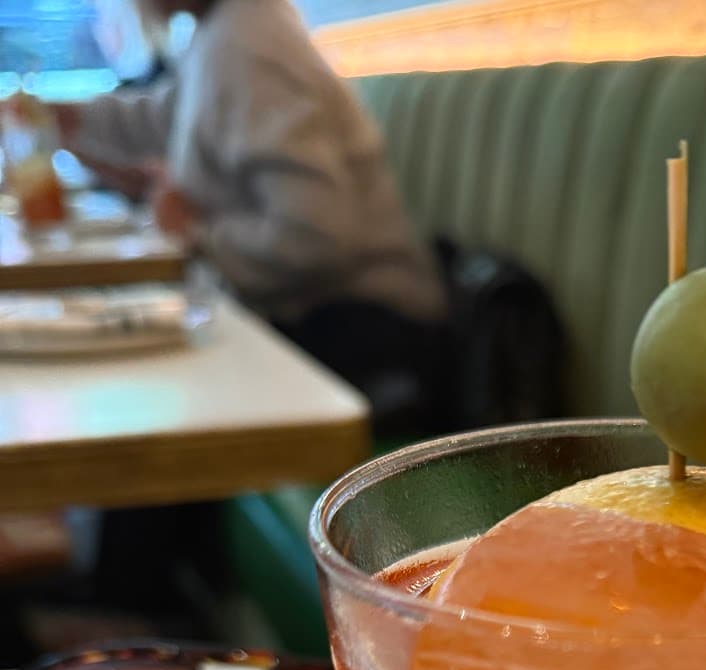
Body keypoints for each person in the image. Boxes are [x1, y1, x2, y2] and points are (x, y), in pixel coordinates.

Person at [57, 0, 450, 429]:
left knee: (142, 405)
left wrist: (193, 231)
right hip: (314, 318)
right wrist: (69, 119)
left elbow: (315, 236)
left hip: (365, 331)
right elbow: (167, 115)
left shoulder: (246, 44)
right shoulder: (224, 30)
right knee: (141, 382)